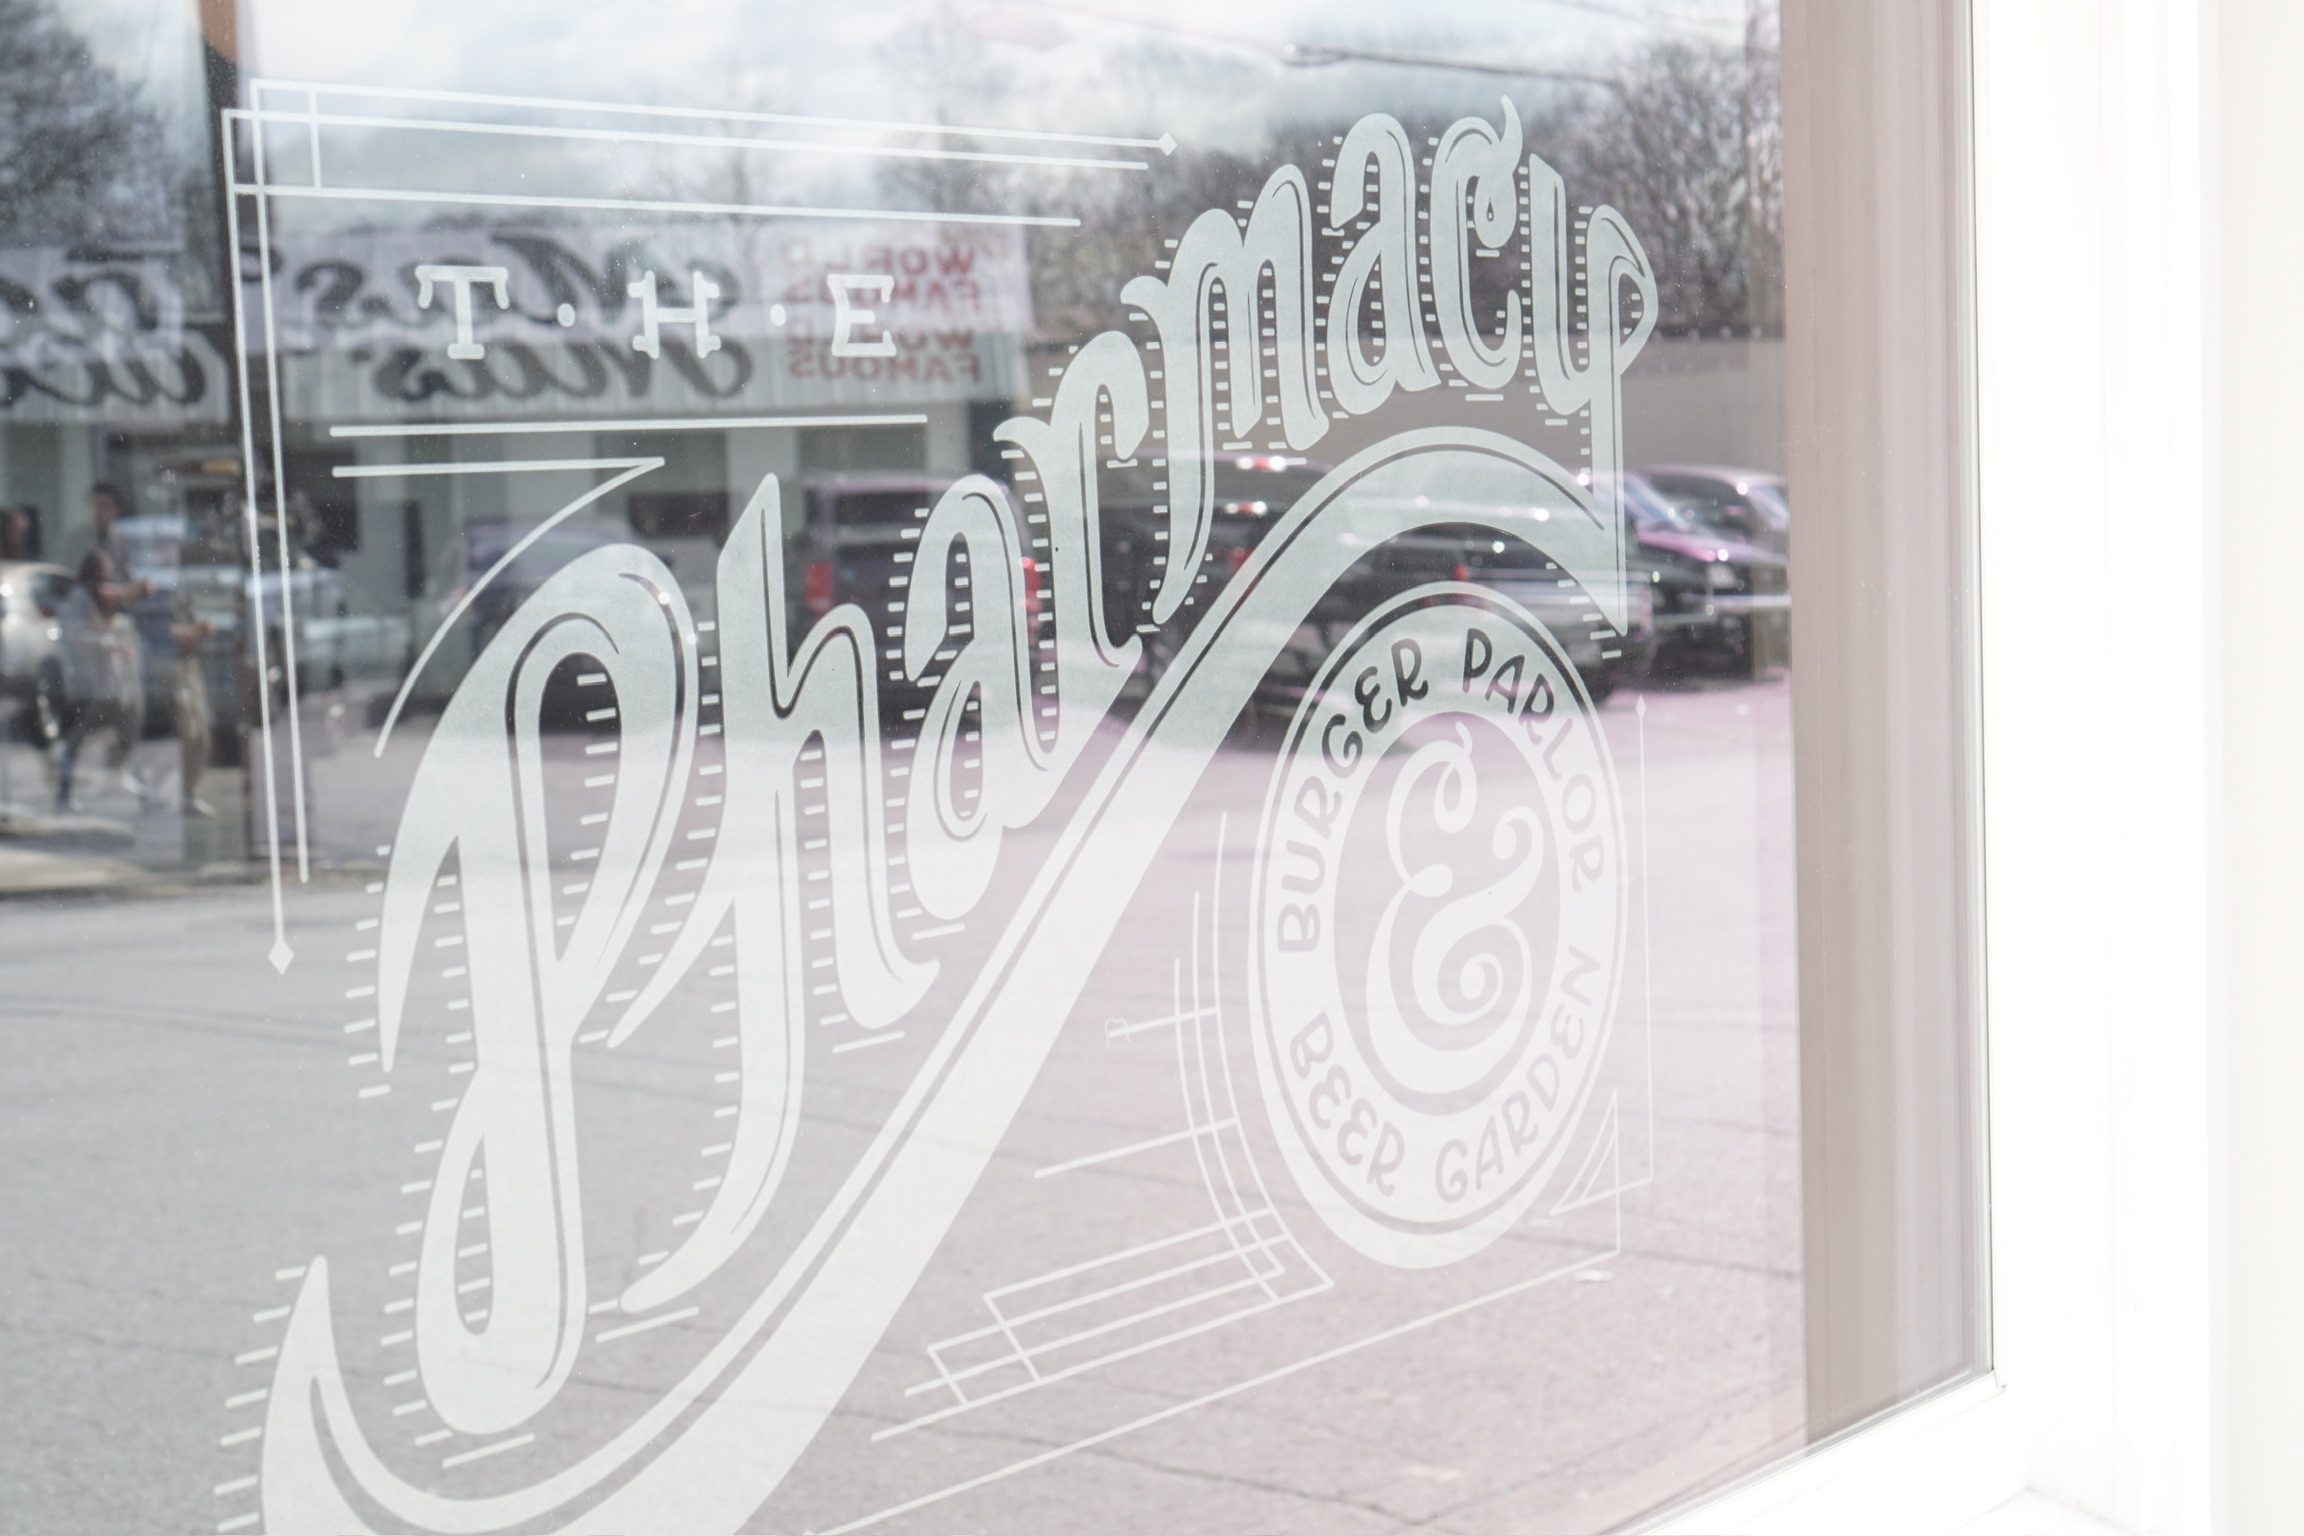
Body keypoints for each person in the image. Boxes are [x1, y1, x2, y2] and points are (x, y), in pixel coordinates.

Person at [53, 549, 146, 812]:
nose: (105, 583)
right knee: (77, 739)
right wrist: (109, 643)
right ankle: (64, 791)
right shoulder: (78, 601)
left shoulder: (99, 600)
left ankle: (120, 778)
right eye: (101, 577)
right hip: (87, 685)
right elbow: (79, 637)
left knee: (127, 728)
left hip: (112, 686)